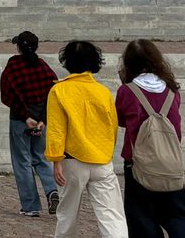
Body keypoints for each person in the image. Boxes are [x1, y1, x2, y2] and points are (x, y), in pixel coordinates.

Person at [45, 40, 127, 237]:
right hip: (101, 159)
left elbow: (56, 130)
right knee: (112, 216)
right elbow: (112, 126)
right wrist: (107, 152)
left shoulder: (59, 90)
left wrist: (56, 160)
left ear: (67, 61)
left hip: (72, 160)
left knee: (67, 216)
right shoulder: (103, 92)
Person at [115, 38, 185, 237]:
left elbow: (121, 120)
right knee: (177, 216)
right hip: (170, 160)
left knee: (141, 217)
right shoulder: (171, 90)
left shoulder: (127, 91)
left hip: (138, 162)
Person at [0, 31, 60, 217]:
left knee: (22, 162)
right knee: (41, 158)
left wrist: (26, 117)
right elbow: (53, 92)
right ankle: (52, 191)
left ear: (19, 47)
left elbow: (8, 95)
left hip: (20, 121)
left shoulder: (13, 65)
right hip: (40, 121)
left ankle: (31, 206)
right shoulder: (42, 66)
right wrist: (42, 119)